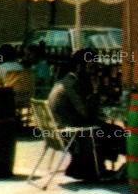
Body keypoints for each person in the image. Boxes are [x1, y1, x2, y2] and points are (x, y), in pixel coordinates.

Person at [46, 49, 125, 182]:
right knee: (117, 132)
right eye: (90, 66)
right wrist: (95, 92)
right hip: (72, 134)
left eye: (94, 66)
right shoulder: (71, 84)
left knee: (110, 128)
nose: (93, 71)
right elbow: (86, 113)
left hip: (62, 130)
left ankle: (96, 166)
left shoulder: (67, 81)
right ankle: (106, 168)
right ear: (78, 66)